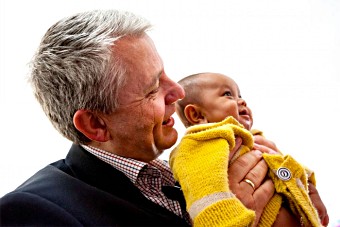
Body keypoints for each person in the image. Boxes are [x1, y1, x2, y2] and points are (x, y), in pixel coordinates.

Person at [0, 10, 278, 226]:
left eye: (165, 73)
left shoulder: (191, 166)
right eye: (153, 88)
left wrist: (283, 175)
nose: (178, 92)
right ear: (95, 124)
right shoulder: (32, 211)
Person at [172, 72, 329, 226]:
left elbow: (290, 167)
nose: (242, 101)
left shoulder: (256, 139)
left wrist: (310, 191)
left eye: (240, 95)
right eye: (228, 94)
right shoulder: (198, 144)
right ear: (197, 115)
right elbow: (204, 191)